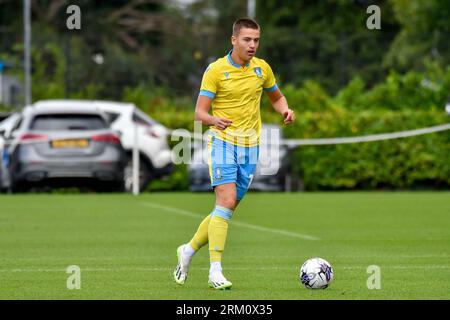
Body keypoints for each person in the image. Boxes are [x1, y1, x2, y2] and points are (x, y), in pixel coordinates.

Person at [173, 17, 295, 290]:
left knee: (224, 210)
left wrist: (285, 110)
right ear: (234, 40)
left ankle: (188, 250)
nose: (252, 45)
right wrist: (212, 120)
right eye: (247, 40)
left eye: (256, 40)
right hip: (222, 143)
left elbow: (276, 97)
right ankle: (215, 270)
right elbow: (199, 112)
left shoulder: (262, 69)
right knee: (225, 201)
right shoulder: (216, 70)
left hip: (251, 147)